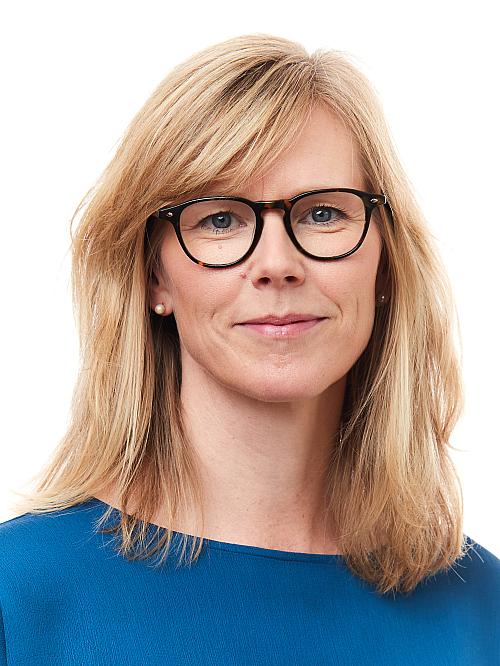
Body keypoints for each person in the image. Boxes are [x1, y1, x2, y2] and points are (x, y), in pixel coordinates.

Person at [0, 33, 498, 665]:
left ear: (385, 262)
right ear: (155, 277)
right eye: (220, 219)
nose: (277, 263)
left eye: (322, 214)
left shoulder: (480, 609)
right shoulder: (20, 595)